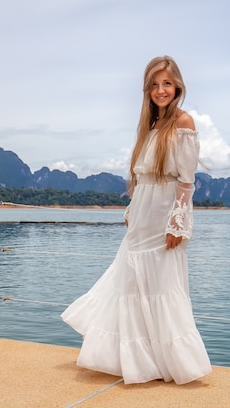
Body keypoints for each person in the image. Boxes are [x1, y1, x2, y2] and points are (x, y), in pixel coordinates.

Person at [61, 55, 212, 385]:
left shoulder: (183, 123)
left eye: (167, 84)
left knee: (160, 285)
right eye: (155, 84)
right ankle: (137, 359)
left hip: (163, 215)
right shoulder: (151, 125)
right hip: (143, 212)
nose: (161, 90)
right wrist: (132, 209)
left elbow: (186, 181)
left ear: (178, 87)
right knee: (131, 283)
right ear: (148, 89)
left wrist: (178, 223)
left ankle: (170, 362)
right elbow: (143, 178)